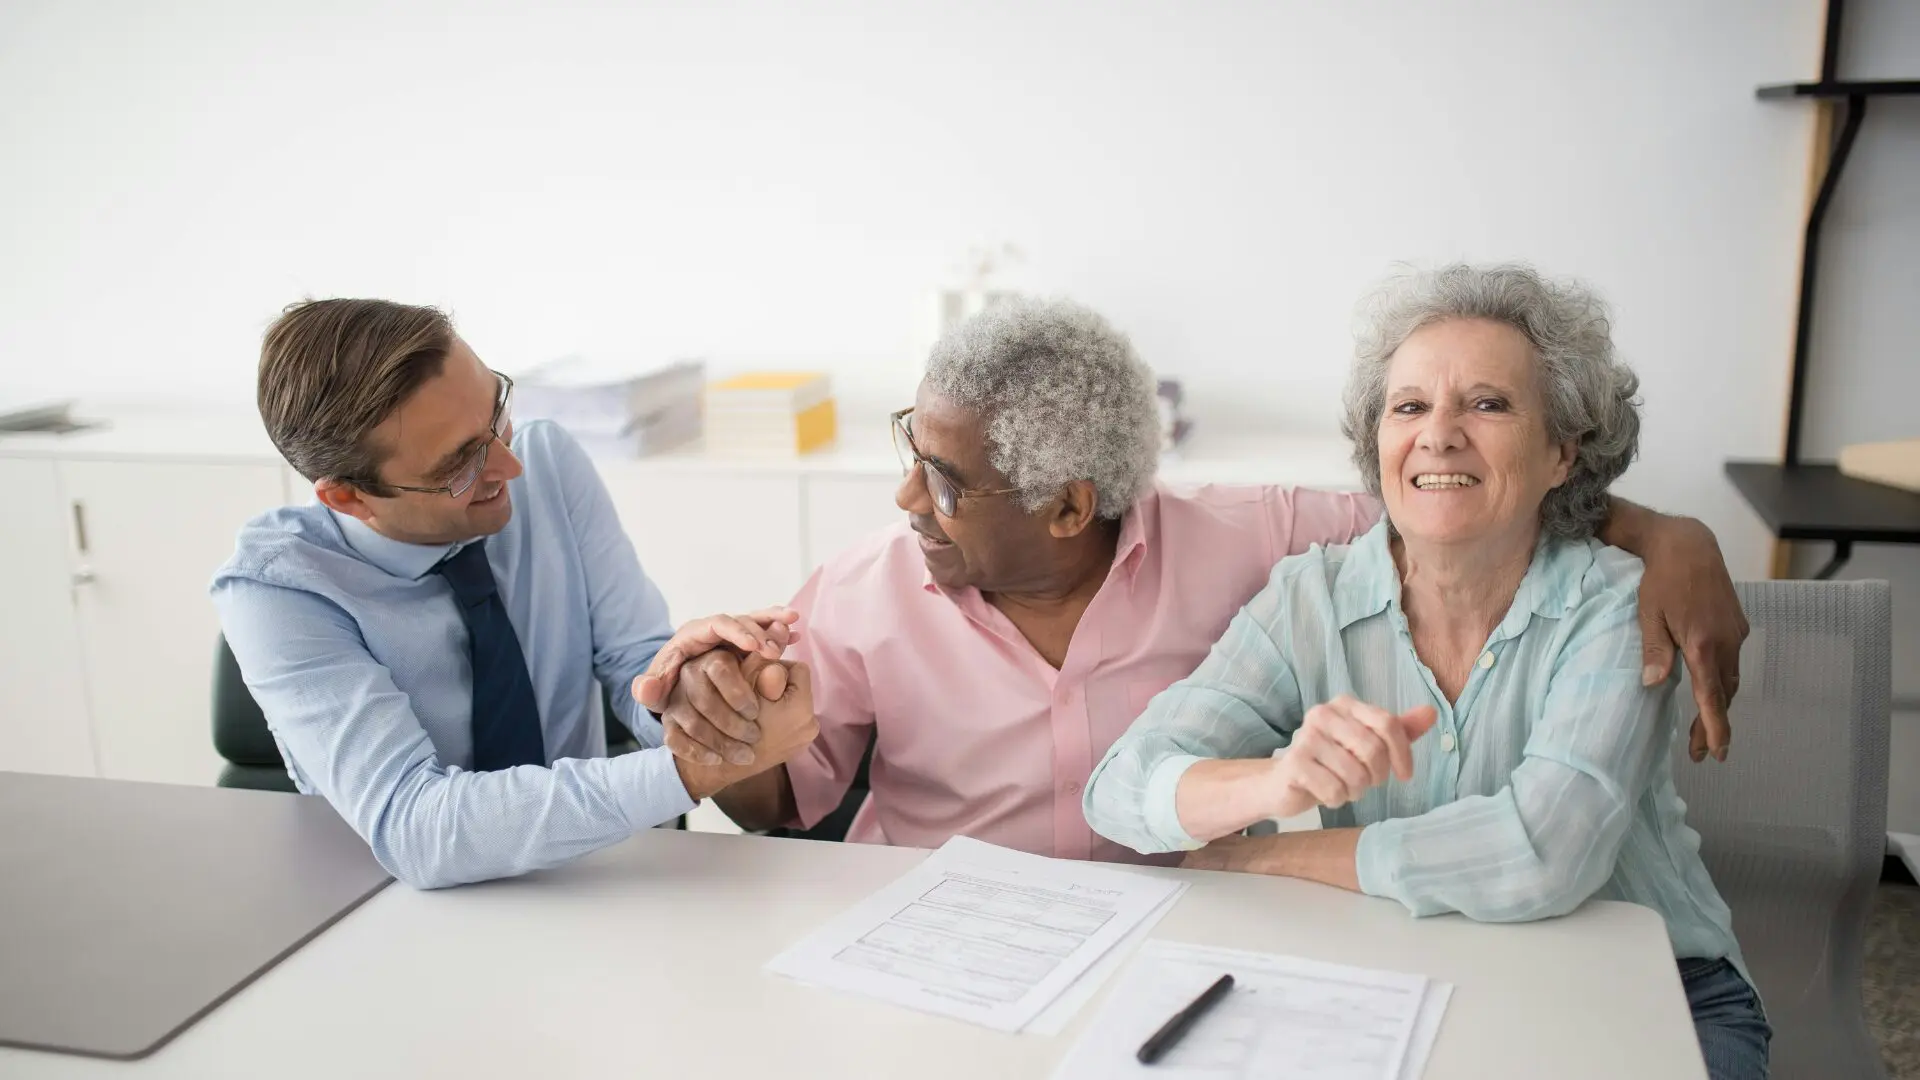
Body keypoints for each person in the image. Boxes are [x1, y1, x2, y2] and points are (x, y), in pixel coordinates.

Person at [648, 294, 1750, 868]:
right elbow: (774, 808)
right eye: (911, 458)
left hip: (1183, 941)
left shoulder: (1253, 539)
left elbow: (1454, 493)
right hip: (941, 929)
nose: (905, 504)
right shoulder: (864, 588)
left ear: (1071, 507)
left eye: (944, 483)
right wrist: (737, 749)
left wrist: (1662, 530)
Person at [1082, 264, 1768, 1077]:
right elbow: (1120, 788)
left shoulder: (1615, 606)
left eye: (1487, 403)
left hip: (1653, 991)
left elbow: (1543, 854)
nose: (1438, 433)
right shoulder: (1310, 597)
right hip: (1398, 979)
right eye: (1409, 407)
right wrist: (1272, 786)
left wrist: (1267, 856)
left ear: (1561, 453)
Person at [213, 299, 816, 890]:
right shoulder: (277, 590)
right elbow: (413, 825)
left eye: (496, 413)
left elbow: (635, 664)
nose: (509, 465)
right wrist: (686, 771)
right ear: (349, 497)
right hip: (395, 915)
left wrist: (697, 688)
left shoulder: (547, 459)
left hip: (590, 877)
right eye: (459, 463)